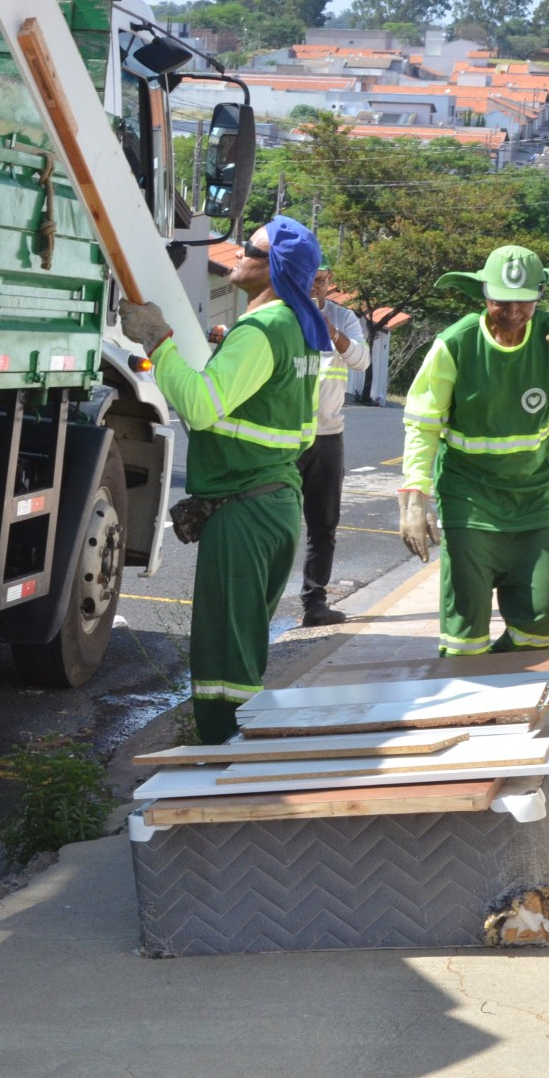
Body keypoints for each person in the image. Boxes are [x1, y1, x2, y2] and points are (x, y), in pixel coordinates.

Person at [119, 216, 327, 743]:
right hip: (276, 502)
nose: (238, 254)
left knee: (223, 656)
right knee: (243, 647)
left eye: (251, 250)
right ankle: (236, 747)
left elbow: (198, 405)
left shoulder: (261, 330)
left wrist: (159, 341)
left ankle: (221, 752)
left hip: (244, 512)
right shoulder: (300, 329)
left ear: (274, 267)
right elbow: (303, 433)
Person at [396, 245, 549, 658]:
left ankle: (507, 680)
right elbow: (423, 423)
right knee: (465, 634)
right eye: (501, 302)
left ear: (539, 296)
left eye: (524, 302)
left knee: (543, 618)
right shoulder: (455, 344)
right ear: (483, 295)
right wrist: (415, 492)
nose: (513, 313)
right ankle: (468, 689)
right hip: (471, 505)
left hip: (537, 502)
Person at [298, 253, 370, 627]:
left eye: (321, 279)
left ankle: (315, 603)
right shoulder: (284, 315)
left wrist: (332, 332)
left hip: (328, 438)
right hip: (286, 439)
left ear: (330, 281)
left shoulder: (343, 318)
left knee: (323, 526)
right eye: (309, 278)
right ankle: (258, 603)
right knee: (275, 525)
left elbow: (361, 361)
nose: (315, 285)